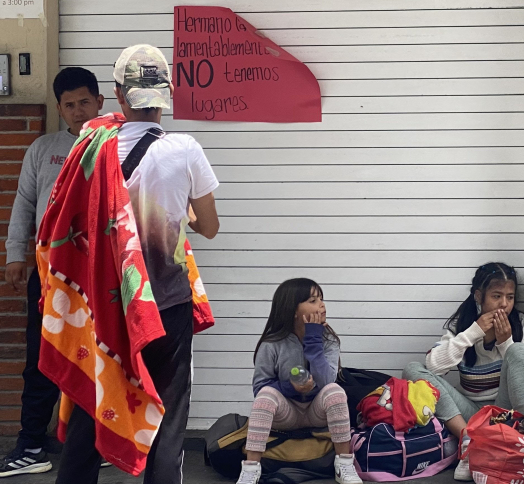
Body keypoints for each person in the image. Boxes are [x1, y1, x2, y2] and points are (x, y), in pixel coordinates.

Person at [53, 44, 220, 484]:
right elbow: (209, 226)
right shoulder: (185, 149)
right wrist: (177, 212)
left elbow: (74, 225)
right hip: (165, 304)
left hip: (104, 307)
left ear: (118, 96)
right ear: (166, 95)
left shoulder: (88, 149)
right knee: (168, 416)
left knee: (95, 400)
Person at [0, 67, 104, 478]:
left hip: (98, 275)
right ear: (59, 108)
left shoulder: (114, 146)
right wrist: (14, 254)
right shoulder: (43, 148)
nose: (77, 111)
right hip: (49, 275)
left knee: (98, 359)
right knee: (42, 358)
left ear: (100, 102)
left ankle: (96, 441)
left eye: (84, 102)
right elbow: (24, 203)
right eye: (69, 105)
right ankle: (31, 444)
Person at [402, 262, 524, 482]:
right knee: (412, 369)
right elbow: (434, 366)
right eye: (496, 296)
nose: (504, 304)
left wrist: (506, 344)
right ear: (479, 296)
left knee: (519, 351)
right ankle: (469, 441)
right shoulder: (462, 326)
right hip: (471, 414)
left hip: (504, 413)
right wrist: (472, 333)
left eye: (510, 297)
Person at [236, 278, 362, 484]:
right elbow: (260, 388)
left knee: (335, 391)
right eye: (312, 300)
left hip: (316, 412)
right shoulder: (272, 343)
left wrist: (313, 339)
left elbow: (327, 380)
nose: (321, 305)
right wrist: (290, 387)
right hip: (287, 413)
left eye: (321, 299)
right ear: (293, 310)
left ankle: (344, 464)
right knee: (266, 396)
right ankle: (251, 469)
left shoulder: (328, 341)